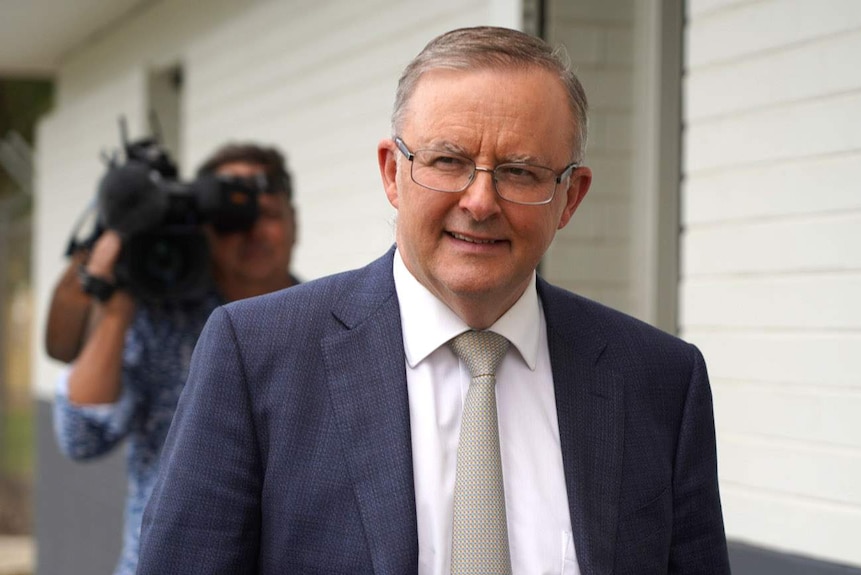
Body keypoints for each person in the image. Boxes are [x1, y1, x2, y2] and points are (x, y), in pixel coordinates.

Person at [138, 26, 730, 574]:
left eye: (520, 172)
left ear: (569, 197)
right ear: (393, 173)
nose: (480, 201)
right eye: (448, 161)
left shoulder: (659, 380)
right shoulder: (257, 355)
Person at [52, 142, 299, 575]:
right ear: (203, 229)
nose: (252, 231)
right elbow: (81, 436)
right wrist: (119, 303)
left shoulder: (332, 322)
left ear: (294, 222)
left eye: (268, 215)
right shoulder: (159, 318)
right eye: (230, 220)